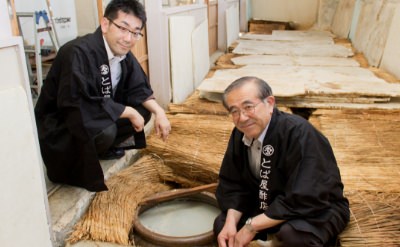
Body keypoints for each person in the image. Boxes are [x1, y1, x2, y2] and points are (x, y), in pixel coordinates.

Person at [34, 0, 170, 192]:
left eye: (135, 32)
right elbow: (76, 105)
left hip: (94, 116)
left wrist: (160, 113)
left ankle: (102, 148)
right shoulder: (77, 52)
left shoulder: (122, 54)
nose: (129, 38)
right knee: (107, 128)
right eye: (123, 28)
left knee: (144, 111)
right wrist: (127, 111)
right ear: (105, 24)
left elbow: (139, 87)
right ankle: (83, 157)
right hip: (63, 129)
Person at [213, 76, 349, 247]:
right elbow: (233, 183)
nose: (242, 117)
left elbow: (306, 196)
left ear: (269, 103)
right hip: (266, 200)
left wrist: (251, 226)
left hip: (314, 207)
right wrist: (231, 223)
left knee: (294, 236)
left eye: (248, 107)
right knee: (223, 228)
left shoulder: (299, 133)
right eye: (234, 111)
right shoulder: (240, 133)